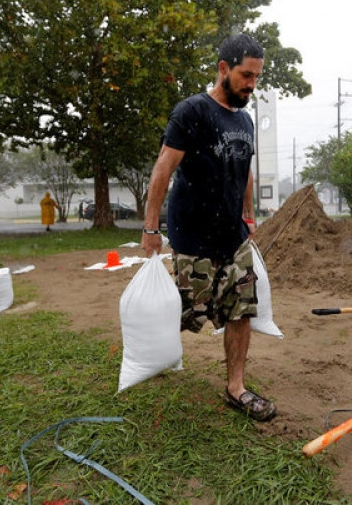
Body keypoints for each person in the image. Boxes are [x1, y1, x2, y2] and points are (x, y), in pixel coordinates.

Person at [142, 34, 275, 421]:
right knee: (189, 312)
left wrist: (248, 215)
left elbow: (243, 169)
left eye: (256, 77)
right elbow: (163, 168)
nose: (251, 84)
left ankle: (236, 388)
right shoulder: (192, 111)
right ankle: (151, 347)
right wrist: (151, 229)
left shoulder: (245, 120)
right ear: (223, 69)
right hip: (193, 236)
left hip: (232, 237)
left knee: (241, 310)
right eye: (245, 75)